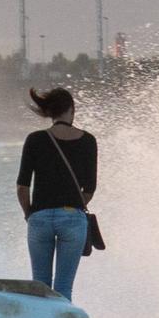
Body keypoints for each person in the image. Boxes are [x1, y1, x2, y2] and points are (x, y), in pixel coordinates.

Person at [16, 86, 97, 301]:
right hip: (72, 218)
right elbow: (89, 189)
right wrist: (72, 204)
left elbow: (22, 187)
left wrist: (30, 214)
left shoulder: (35, 139)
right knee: (63, 289)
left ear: (50, 112)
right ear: (71, 109)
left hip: (39, 218)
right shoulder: (88, 141)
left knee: (40, 286)